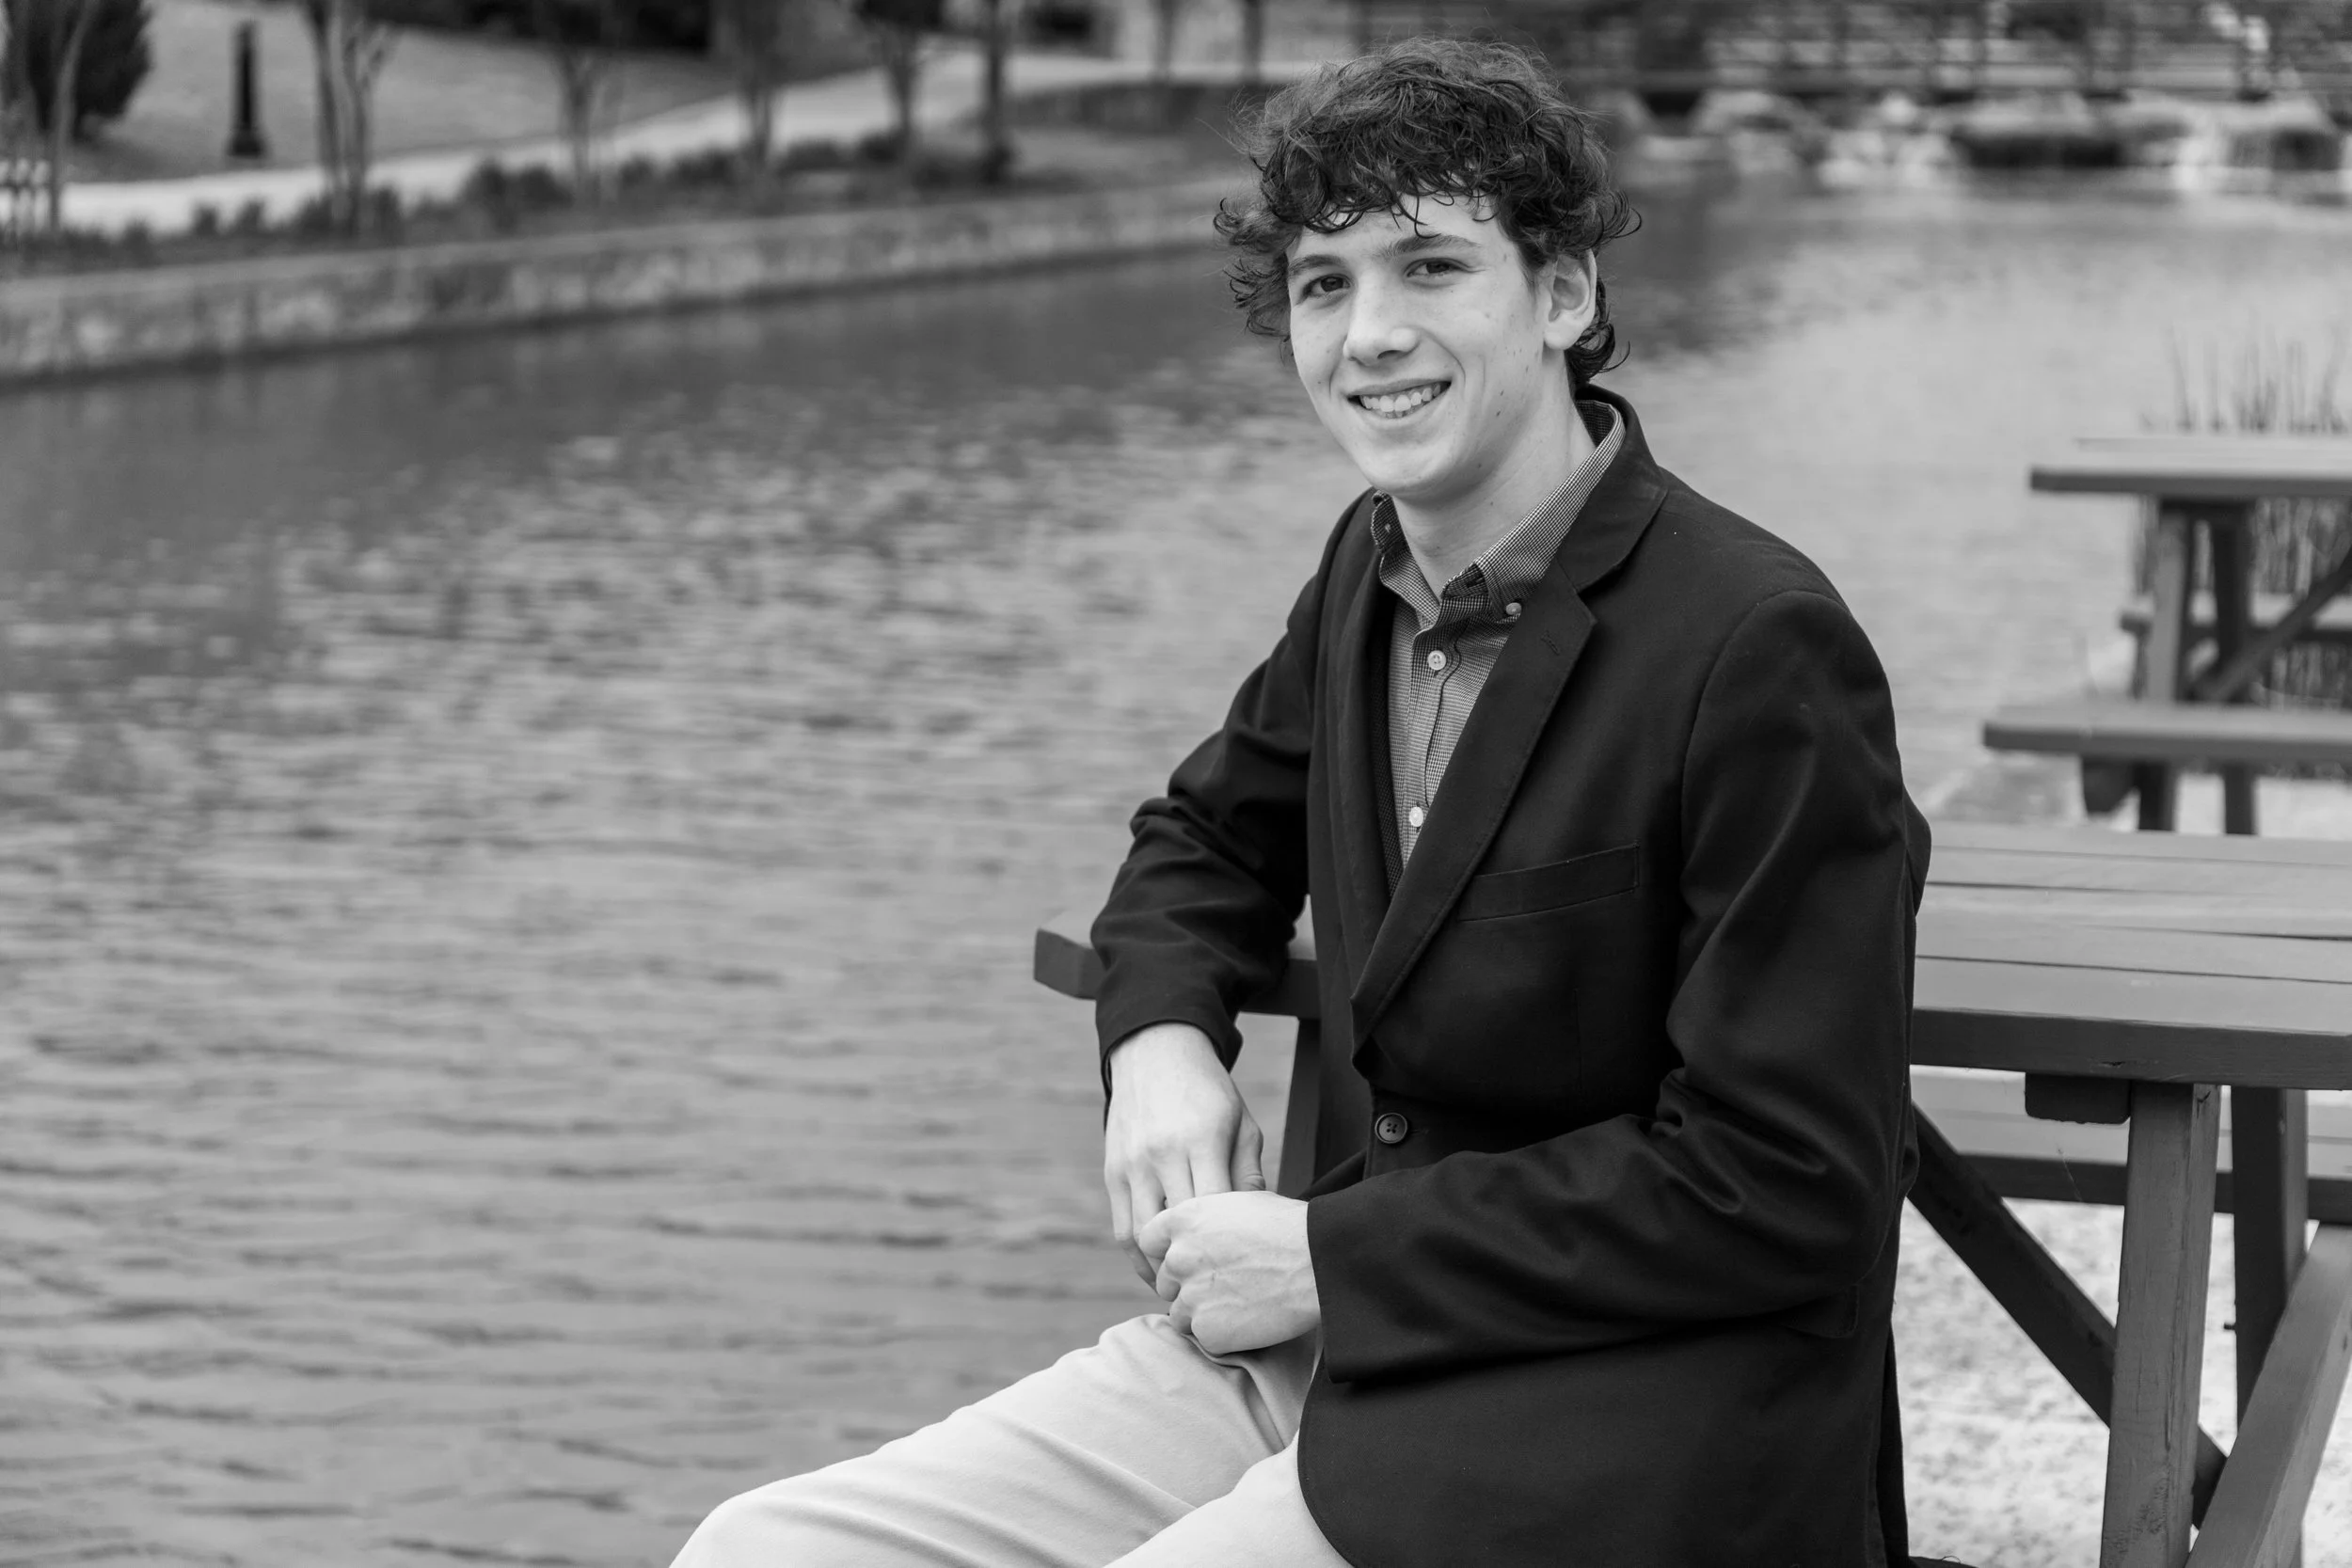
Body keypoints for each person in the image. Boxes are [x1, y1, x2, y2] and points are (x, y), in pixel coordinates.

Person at [672, 35, 1931, 1568]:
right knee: (769, 1545)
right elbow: (1203, 835)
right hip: (1350, 1357)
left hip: (1633, 1418)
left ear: (1563, 296)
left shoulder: (1758, 646)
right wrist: (1157, 1047)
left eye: (1428, 266)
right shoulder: (1366, 571)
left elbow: (1785, 1181)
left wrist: (1334, 1251)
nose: (1369, 335)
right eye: (1326, 283)